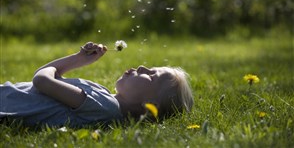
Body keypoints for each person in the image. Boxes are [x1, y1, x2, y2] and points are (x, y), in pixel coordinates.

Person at [0, 42, 194, 127]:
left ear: (150, 105)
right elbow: (45, 79)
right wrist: (79, 59)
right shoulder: (103, 96)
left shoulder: (105, 107)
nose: (142, 67)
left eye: (151, 75)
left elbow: (42, 80)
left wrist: (72, 64)